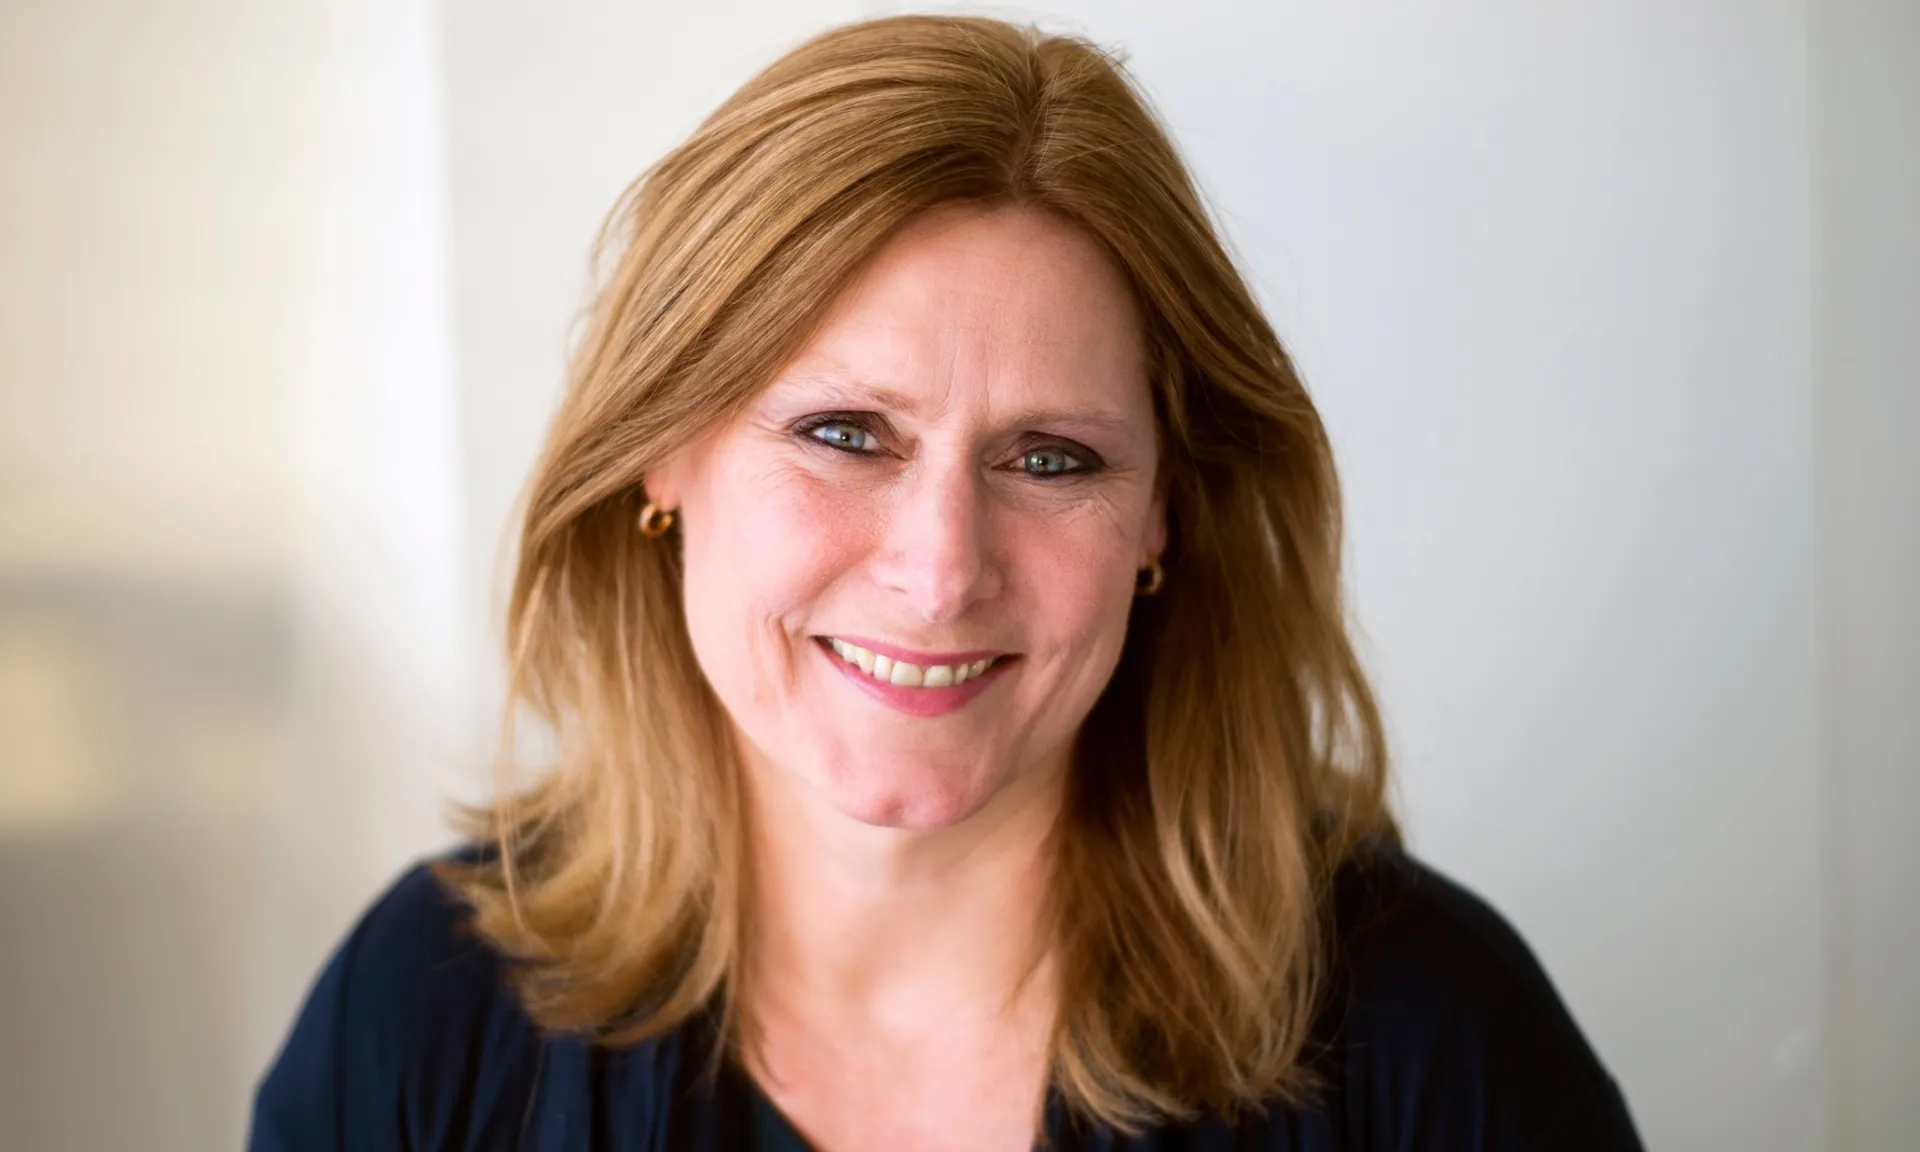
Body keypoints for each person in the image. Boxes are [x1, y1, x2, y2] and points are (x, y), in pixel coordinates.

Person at [249, 14, 1644, 1151]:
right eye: (845, 435)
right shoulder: (420, 1020)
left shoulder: (1434, 1039)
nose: (939, 571)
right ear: (662, 456)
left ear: (1165, 512)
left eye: (1049, 459)